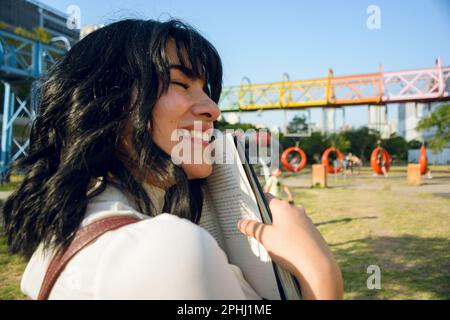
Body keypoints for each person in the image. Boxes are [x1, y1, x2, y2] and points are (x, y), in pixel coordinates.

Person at [2, 19, 343, 300]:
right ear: (110, 104)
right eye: (181, 83)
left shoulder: (59, 238)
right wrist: (320, 273)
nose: (214, 109)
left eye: (207, 89)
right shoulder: (168, 251)